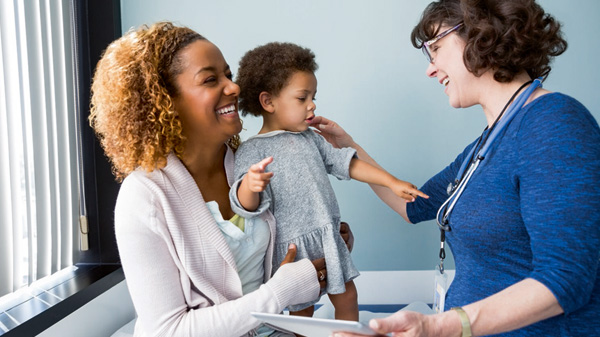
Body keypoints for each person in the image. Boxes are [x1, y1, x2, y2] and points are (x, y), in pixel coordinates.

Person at [320, 0, 600, 336]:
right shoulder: (482, 148)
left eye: (435, 48)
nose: (430, 68)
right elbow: (414, 205)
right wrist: (349, 147)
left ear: (481, 34)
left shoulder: (554, 123)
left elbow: (566, 278)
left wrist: (444, 326)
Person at [88, 21, 356, 337]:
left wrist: (323, 253)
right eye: (211, 79)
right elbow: (168, 330)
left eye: (228, 74)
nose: (233, 87)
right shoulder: (144, 196)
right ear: (164, 100)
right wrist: (281, 292)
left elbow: (262, 275)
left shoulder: (248, 165)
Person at [229, 42, 428, 321]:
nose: (312, 105)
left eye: (313, 97)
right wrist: (250, 186)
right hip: (292, 248)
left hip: (327, 236)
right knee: (301, 310)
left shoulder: (310, 138)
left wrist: (392, 181)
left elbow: (348, 163)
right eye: (302, 98)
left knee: (347, 295)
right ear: (268, 102)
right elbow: (244, 206)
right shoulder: (252, 150)